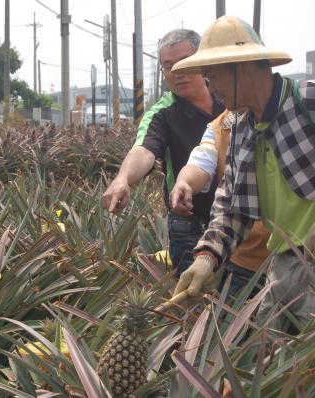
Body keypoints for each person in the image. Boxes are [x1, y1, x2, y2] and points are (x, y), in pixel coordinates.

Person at [171, 15, 315, 333]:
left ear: (244, 66)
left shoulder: (307, 101)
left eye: (213, 77)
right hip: (281, 265)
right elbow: (232, 206)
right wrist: (205, 259)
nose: (213, 89)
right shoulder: (240, 129)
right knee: (269, 365)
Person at [101, 29, 225, 277]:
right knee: (193, 301)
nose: (176, 72)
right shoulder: (162, 113)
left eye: (183, 62)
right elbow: (145, 149)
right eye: (167, 66)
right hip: (190, 219)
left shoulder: (229, 97)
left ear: (202, 60)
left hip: (238, 214)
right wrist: (123, 179)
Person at [169, 109, 270, 299]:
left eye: (215, 77)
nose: (213, 86)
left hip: (299, 261)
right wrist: (184, 182)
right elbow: (201, 162)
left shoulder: (294, 113)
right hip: (245, 260)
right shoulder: (221, 127)